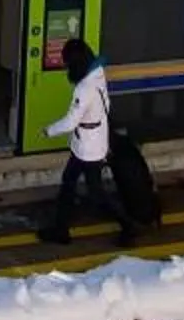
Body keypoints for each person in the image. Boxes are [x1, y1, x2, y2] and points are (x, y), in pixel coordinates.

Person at [39, 37, 122, 245]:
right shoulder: (98, 74)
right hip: (93, 139)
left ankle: (127, 224)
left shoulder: (84, 88)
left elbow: (70, 122)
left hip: (87, 147)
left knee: (95, 192)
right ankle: (61, 229)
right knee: (70, 182)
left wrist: (49, 130)